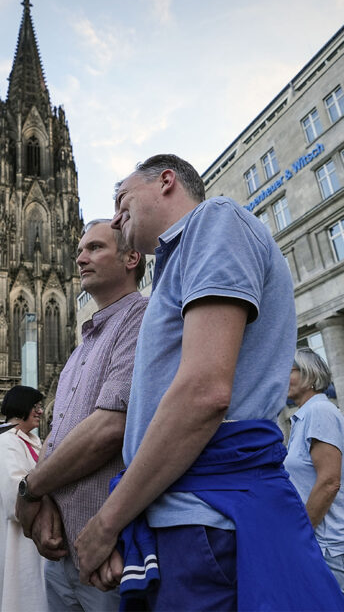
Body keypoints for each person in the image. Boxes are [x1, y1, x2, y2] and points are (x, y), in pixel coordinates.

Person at [74, 154, 344, 610]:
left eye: (121, 200)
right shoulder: (174, 265)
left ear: (165, 181)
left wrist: (107, 521)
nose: (116, 219)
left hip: (207, 519)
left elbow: (203, 394)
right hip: (192, 516)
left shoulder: (213, 220)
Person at [15, 219, 148, 612]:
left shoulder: (141, 320)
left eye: (94, 248)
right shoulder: (81, 347)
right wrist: (48, 506)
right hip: (64, 552)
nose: (80, 257)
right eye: (80, 249)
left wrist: (32, 489)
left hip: (107, 553)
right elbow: (58, 439)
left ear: (131, 258)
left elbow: (109, 430)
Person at [0, 385, 48, 612]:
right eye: (35, 406)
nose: (41, 412)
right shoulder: (7, 442)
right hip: (18, 538)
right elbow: (16, 495)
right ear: (21, 407)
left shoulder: (31, 441)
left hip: (34, 536)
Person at [285, 347, 344, 590]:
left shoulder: (320, 412)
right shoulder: (304, 416)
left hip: (331, 544)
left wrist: (301, 533)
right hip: (321, 542)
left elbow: (329, 482)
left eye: (288, 370)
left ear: (309, 374)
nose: (280, 376)